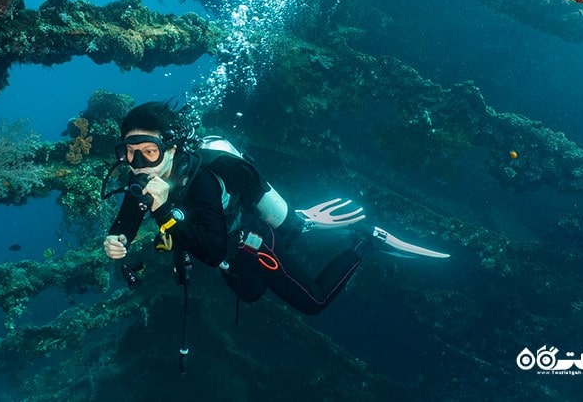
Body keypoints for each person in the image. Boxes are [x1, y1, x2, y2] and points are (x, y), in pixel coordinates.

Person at [102, 102, 449, 316]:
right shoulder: (143, 179)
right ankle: (306, 228)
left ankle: (366, 239)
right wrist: (117, 238)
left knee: (314, 303)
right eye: (127, 153)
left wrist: (163, 212)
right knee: (251, 294)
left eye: (148, 151)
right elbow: (128, 218)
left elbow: (211, 250)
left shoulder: (202, 181)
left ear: (172, 149)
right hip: (228, 254)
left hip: (250, 242)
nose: (137, 163)